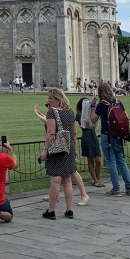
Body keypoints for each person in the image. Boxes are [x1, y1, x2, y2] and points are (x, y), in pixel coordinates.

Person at [34, 100, 90, 204]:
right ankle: (55, 195)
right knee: (61, 173)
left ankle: (83, 194)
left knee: (71, 172)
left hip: (60, 147)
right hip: (64, 145)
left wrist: (36, 112)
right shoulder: (67, 112)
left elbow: (47, 122)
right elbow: (73, 132)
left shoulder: (55, 114)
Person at [39, 88, 78, 219]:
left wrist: (45, 150)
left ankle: (51, 211)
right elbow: (74, 132)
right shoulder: (70, 112)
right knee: (67, 179)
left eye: (50, 98)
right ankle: (69, 210)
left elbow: (51, 132)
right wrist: (74, 148)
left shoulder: (52, 112)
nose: (48, 100)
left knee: (55, 179)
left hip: (57, 149)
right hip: (69, 147)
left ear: (57, 99)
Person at [91, 81, 130, 196]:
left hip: (107, 134)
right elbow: (126, 117)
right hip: (118, 135)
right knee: (121, 160)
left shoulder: (101, 105)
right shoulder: (118, 102)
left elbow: (93, 120)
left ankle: (116, 188)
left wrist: (92, 106)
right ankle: (129, 187)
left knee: (111, 161)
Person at [76, 96, 104, 187]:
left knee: (98, 160)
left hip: (93, 135)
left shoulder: (90, 113)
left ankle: (97, 179)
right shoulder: (79, 115)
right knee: (91, 159)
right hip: (87, 136)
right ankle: (95, 180)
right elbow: (86, 123)